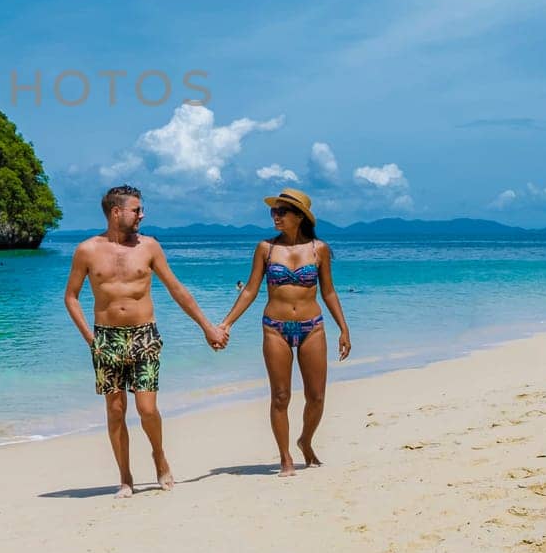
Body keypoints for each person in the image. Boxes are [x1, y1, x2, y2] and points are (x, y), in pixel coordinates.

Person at [64, 185, 229, 498]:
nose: (142, 215)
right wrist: (91, 338)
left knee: (146, 409)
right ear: (117, 212)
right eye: (136, 210)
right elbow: (70, 297)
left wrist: (207, 327)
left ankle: (158, 454)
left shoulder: (150, 246)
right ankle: (125, 477)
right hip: (106, 338)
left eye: (141, 210)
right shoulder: (87, 250)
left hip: (144, 335)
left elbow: (177, 289)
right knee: (115, 411)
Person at [219, 187, 352, 477]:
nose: (275, 216)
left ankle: (305, 440)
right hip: (275, 328)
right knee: (280, 396)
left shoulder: (319, 249)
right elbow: (251, 290)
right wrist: (227, 323)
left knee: (316, 397)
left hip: (312, 327)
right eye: (273, 211)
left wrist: (344, 328)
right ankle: (285, 458)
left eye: (282, 212)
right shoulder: (266, 248)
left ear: (299, 217)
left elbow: (328, 292)